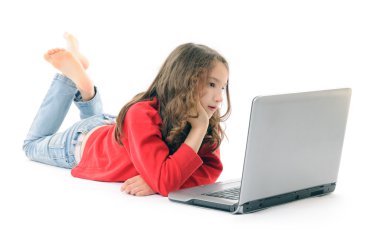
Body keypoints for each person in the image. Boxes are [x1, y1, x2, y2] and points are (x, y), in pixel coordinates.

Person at [23, 33, 231, 197]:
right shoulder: (143, 114)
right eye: (212, 84)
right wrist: (161, 178)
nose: (219, 97)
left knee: (102, 125)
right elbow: (167, 183)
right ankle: (70, 79)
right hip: (81, 144)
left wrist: (156, 180)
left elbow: (210, 171)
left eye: (222, 87)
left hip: (113, 130)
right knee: (32, 145)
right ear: (184, 80)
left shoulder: (203, 118)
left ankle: (87, 91)